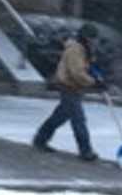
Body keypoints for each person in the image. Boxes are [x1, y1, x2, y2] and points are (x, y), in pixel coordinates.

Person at [32, 25, 105, 161]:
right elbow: (76, 73)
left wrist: (97, 77)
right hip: (68, 86)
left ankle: (40, 139)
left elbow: (86, 68)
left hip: (75, 87)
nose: (95, 42)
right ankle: (85, 150)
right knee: (78, 119)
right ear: (86, 38)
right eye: (92, 39)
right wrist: (93, 82)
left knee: (60, 116)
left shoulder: (85, 50)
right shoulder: (75, 50)